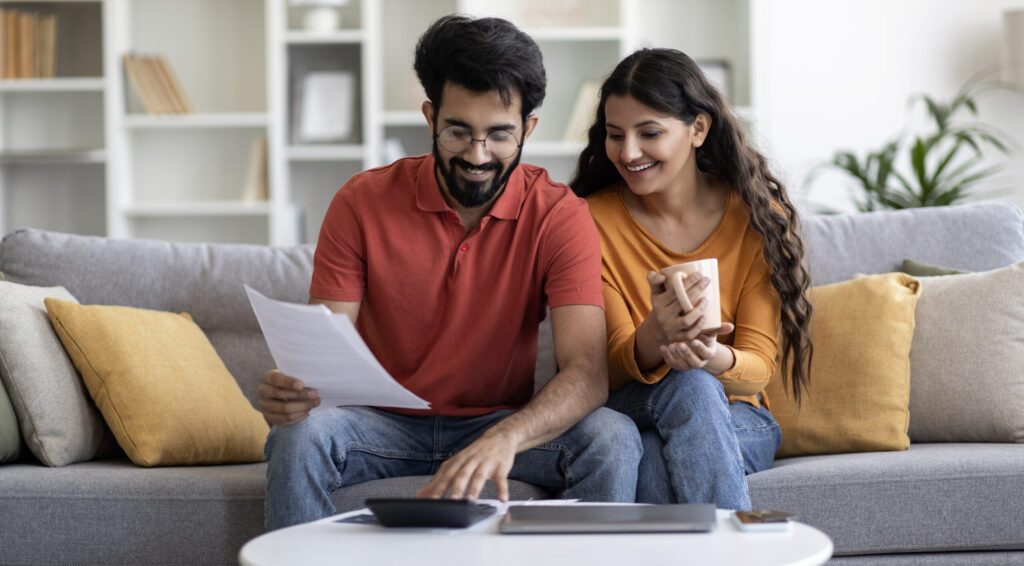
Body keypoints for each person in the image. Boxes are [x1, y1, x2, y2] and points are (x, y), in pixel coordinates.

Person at [259, 15, 641, 531]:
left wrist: (503, 439)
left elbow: (586, 374)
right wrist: (293, 393)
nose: (477, 156)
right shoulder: (361, 201)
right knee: (298, 435)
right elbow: (320, 358)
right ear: (430, 116)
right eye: (458, 131)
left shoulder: (559, 213)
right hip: (380, 426)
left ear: (528, 127)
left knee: (612, 436)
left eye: (500, 135)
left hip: (497, 419)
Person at [569, 48, 813, 510]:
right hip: (634, 406)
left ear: (698, 128)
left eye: (649, 133)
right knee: (687, 385)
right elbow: (608, 370)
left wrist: (712, 356)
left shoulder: (758, 220)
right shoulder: (589, 221)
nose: (628, 152)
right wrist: (654, 337)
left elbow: (759, 366)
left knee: (679, 422)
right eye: (615, 135)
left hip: (737, 415)